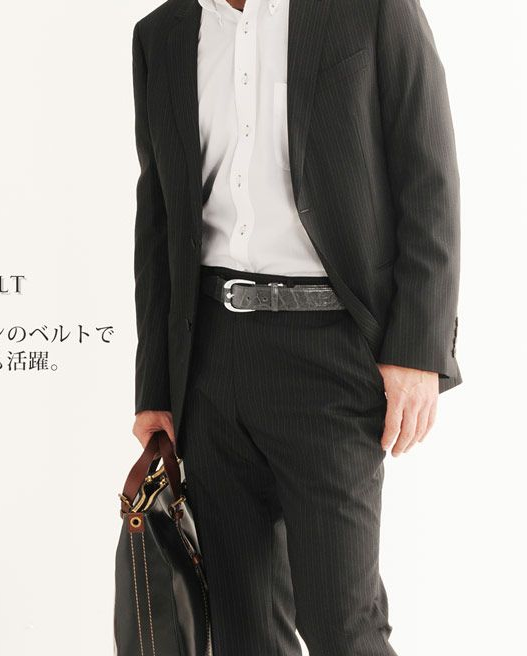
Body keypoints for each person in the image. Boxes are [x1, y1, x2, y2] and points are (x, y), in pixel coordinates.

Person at [130, 0, 461, 653]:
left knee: (343, 625)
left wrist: (418, 349)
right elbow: (159, 217)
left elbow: (429, 179)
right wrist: (156, 389)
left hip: (331, 354)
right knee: (241, 627)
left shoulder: (371, 10)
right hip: (209, 359)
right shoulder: (161, 35)